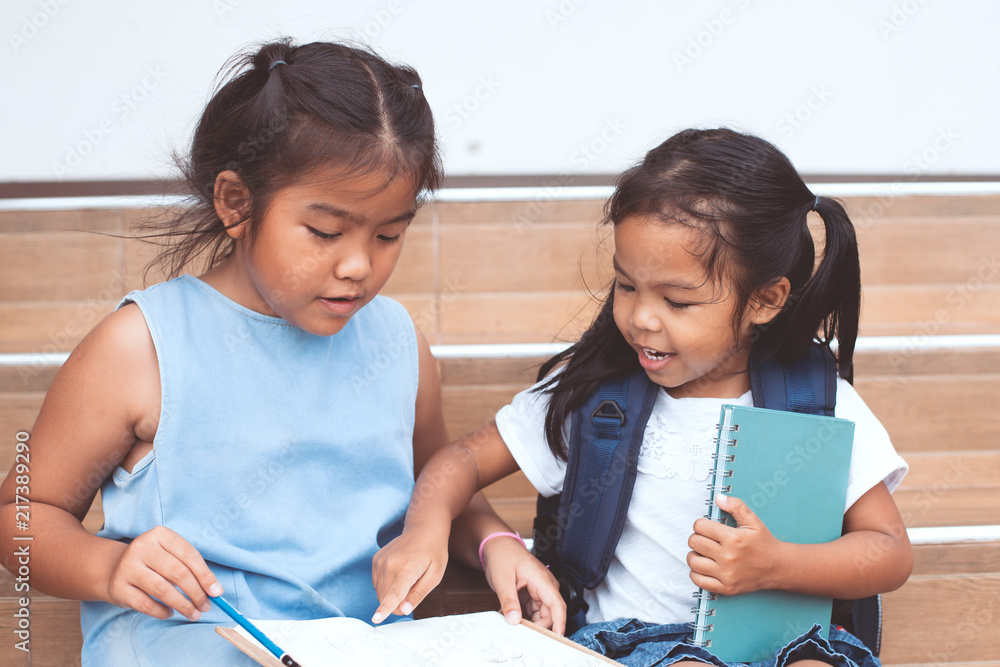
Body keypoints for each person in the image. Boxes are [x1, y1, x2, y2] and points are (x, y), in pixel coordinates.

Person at [0, 38, 560, 665]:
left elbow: (438, 490)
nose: (358, 265)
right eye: (325, 232)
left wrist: (495, 544)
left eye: (388, 235)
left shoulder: (397, 343)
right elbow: (22, 515)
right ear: (237, 205)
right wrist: (108, 567)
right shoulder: (141, 346)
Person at [372, 128, 913, 667]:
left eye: (677, 302)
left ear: (765, 300)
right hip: (641, 647)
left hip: (785, 644)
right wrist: (426, 529)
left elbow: (889, 552)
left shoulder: (818, 405)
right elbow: (461, 459)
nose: (640, 318)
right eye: (627, 287)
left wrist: (778, 565)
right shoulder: (595, 397)